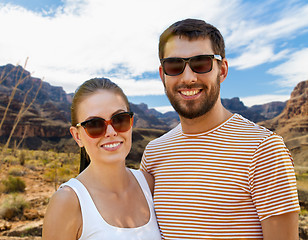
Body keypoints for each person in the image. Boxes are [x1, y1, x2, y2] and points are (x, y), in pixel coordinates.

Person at [140, 18, 300, 239]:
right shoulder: (154, 154)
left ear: (222, 70)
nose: (188, 77)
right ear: (162, 75)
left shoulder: (264, 149)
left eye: (201, 63)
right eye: (175, 65)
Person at [42, 78, 161, 240]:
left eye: (120, 119)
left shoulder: (150, 185)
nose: (111, 132)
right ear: (77, 136)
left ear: (131, 122)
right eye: (94, 124)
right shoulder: (68, 202)